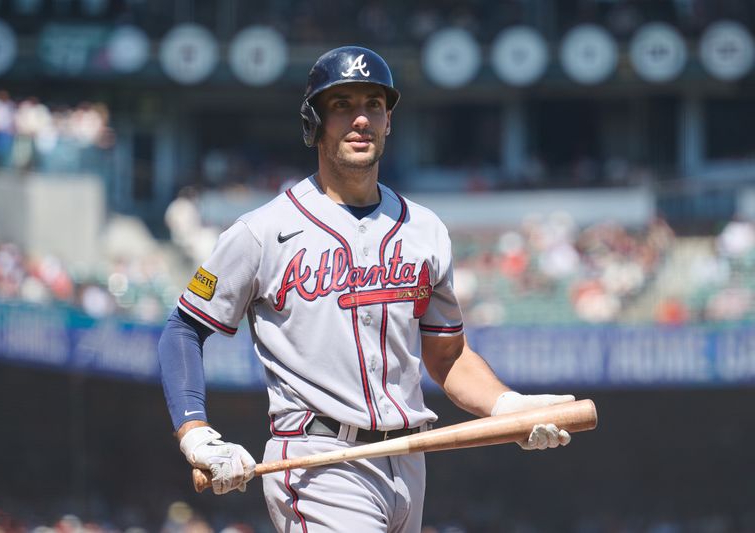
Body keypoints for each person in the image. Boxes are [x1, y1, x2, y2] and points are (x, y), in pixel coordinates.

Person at [158, 46, 576, 532]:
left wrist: (506, 406)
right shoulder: (262, 231)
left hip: (410, 457)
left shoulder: (425, 229)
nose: (361, 119)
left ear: (389, 120)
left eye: (373, 105)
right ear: (314, 122)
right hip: (320, 461)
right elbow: (184, 327)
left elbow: (447, 356)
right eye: (342, 105)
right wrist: (196, 431)